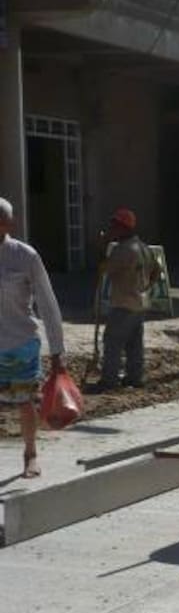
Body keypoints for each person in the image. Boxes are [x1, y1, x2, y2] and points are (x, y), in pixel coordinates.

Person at [0, 197, 66, 478]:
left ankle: (30, 454)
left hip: (21, 344)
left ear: (8, 223)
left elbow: (47, 303)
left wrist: (58, 349)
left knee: (24, 402)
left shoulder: (25, 256)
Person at [92, 208, 158, 392]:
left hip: (123, 303)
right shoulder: (144, 247)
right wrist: (145, 287)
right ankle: (135, 377)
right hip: (140, 303)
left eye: (115, 226)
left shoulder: (123, 250)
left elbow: (104, 269)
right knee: (134, 343)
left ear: (124, 228)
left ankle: (109, 380)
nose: (112, 229)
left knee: (113, 341)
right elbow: (156, 270)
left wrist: (103, 244)